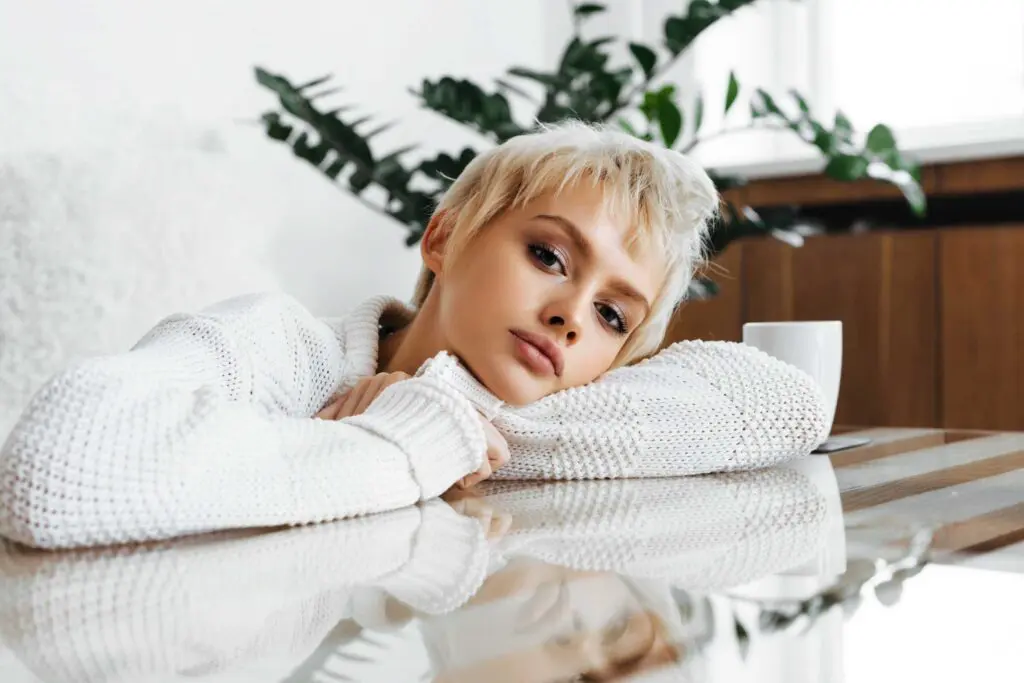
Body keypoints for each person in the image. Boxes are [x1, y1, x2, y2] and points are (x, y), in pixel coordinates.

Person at [0, 121, 829, 550]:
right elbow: (55, 474)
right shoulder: (277, 345)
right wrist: (400, 443)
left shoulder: (562, 407)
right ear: (443, 239)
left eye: (614, 315)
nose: (573, 314)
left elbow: (783, 401)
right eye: (547, 253)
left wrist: (446, 407)